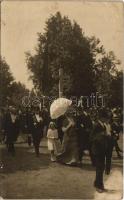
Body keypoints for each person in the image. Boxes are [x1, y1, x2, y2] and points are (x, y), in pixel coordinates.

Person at [90, 109, 113, 193]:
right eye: (105, 117)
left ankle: (98, 184)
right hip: (97, 149)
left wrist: (107, 136)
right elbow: (91, 137)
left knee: (101, 168)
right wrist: (101, 135)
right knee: (100, 168)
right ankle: (98, 185)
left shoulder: (103, 125)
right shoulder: (96, 125)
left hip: (102, 149)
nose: (107, 119)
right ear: (102, 118)